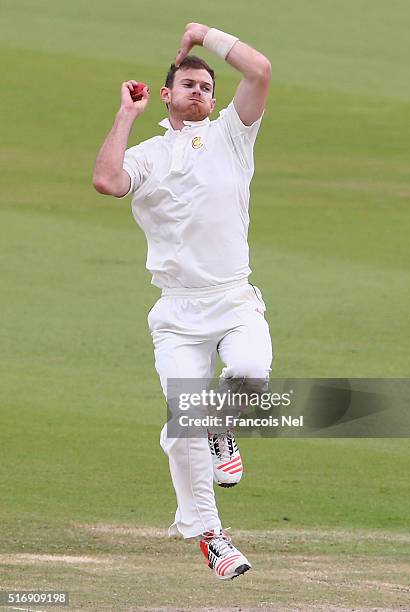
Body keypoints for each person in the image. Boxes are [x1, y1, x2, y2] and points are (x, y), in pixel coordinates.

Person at [93, 22, 273, 580]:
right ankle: (213, 538)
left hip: (234, 296)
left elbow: (261, 70)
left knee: (249, 371)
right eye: (187, 85)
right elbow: (105, 179)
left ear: (215, 98)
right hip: (177, 315)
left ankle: (220, 424)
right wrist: (126, 115)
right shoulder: (147, 154)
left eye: (205, 86)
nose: (198, 91)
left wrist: (202, 33)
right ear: (167, 95)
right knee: (182, 431)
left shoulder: (233, 135)